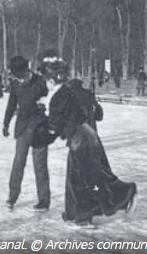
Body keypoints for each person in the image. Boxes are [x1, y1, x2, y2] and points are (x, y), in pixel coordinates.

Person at [39, 51, 137, 228]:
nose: (46, 85)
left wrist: (43, 121)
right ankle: (72, 213)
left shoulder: (58, 97)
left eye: (46, 81)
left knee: (82, 180)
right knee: (74, 177)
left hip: (81, 140)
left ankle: (124, 194)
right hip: (85, 135)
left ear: (52, 81)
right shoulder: (66, 92)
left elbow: (54, 125)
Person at [2, 55, 51, 212]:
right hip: (22, 130)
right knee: (18, 164)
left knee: (40, 167)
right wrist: (6, 123)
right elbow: (11, 105)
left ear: (26, 70)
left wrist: (45, 108)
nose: (18, 79)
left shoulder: (41, 82)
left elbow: (53, 101)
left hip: (40, 129)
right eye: (15, 76)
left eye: (19, 75)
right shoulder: (16, 84)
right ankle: (12, 196)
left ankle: (44, 201)